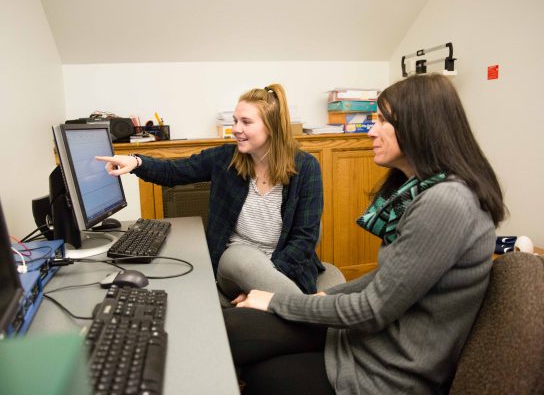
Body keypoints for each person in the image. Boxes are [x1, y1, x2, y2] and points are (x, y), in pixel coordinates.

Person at [223, 73, 507, 395]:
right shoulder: (426, 191)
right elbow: (387, 277)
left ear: (418, 126)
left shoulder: (446, 203)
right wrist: (321, 297)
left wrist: (278, 300)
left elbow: (371, 310)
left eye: (383, 120)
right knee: (234, 328)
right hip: (367, 341)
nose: (371, 130)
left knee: (262, 371)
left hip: (387, 369)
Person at [96, 83, 324, 305]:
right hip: (233, 266)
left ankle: (301, 312)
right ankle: (310, 311)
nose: (236, 129)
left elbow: (304, 239)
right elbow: (174, 171)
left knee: (257, 316)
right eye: (235, 121)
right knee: (240, 258)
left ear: (272, 127)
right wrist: (136, 161)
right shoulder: (225, 158)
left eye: (246, 122)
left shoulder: (306, 168)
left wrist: (260, 287)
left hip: (284, 268)